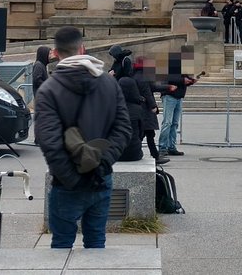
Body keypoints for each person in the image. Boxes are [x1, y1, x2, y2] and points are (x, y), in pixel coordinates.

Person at [34, 26, 132, 249]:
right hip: (102, 178)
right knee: (97, 243)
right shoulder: (108, 83)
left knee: (61, 246)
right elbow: (123, 129)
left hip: (66, 183)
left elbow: (49, 142)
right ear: (82, 48)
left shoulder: (48, 89)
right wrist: (101, 165)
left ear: (56, 53)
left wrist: (72, 178)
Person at [159, 57, 200, 157]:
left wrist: (190, 81)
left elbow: (183, 81)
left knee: (174, 123)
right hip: (169, 96)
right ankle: (162, 147)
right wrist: (183, 80)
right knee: (167, 122)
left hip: (178, 97)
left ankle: (171, 147)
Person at [132, 56, 168, 164]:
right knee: (147, 134)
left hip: (140, 108)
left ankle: (150, 154)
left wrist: (167, 87)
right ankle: (155, 156)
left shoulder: (136, 75)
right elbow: (147, 92)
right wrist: (153, 106)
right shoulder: (143, 77)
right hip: (145, 109)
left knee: (144, 134)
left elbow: (152, 87)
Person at [117, 77, 145, 162]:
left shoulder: (111, 107)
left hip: (116, 152)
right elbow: (141, 133)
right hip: (134, 153)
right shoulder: (138, 109)